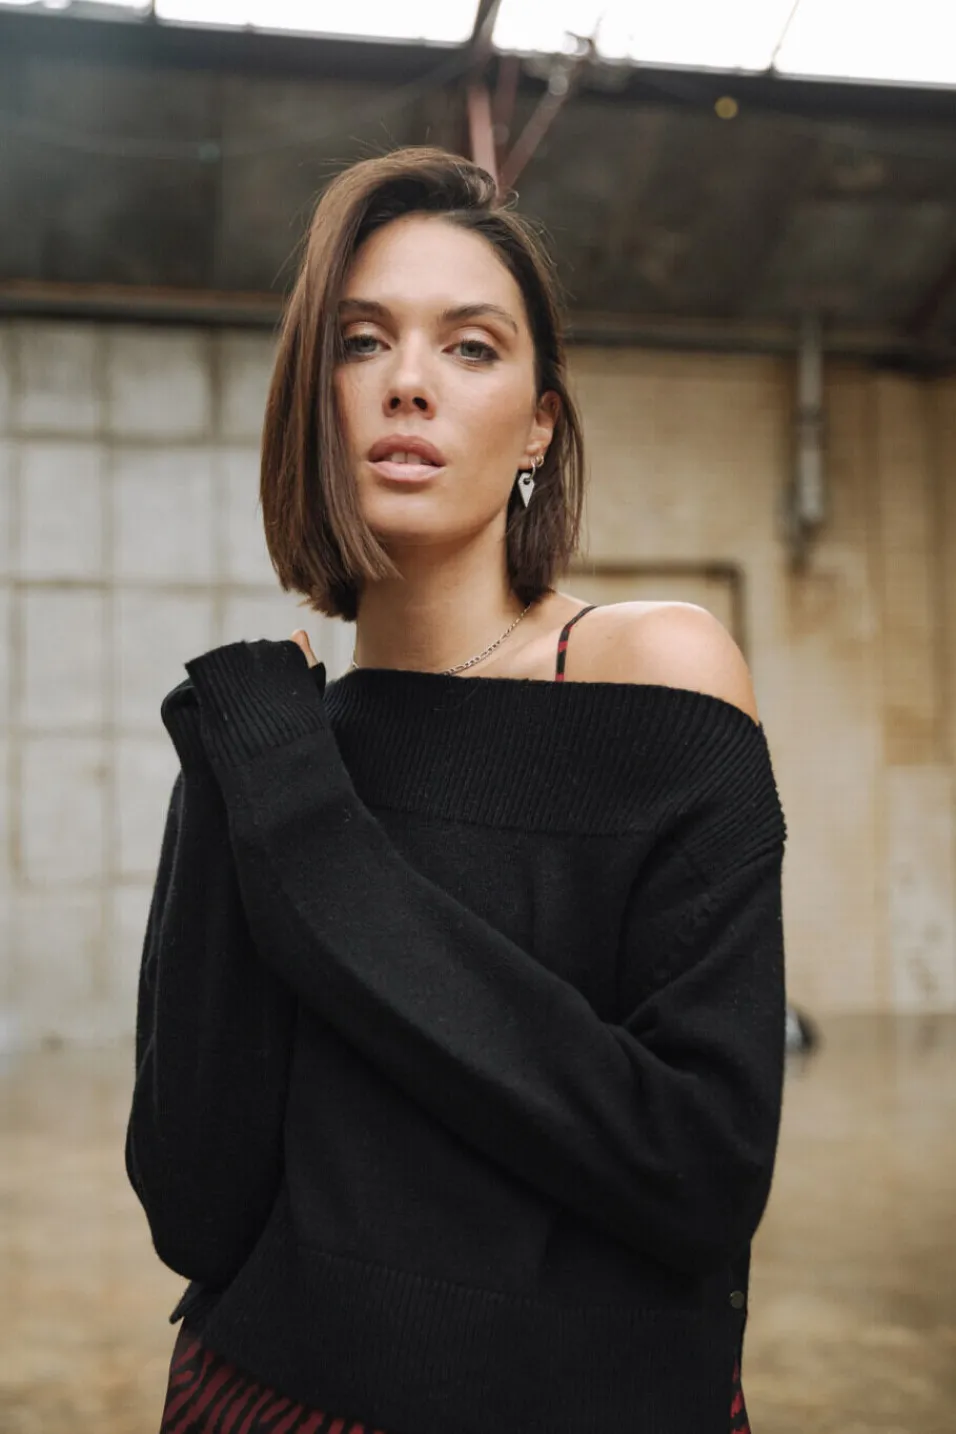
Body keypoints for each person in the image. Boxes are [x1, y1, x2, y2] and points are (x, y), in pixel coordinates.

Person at [126, 146, 787, 1434]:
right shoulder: (269, 736)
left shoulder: (655, 670)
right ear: (312, 399)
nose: (409, 382)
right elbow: (195, 1205)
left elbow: (697, 1167)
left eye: (471, 347)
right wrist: (240, 782)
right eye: (361, 341)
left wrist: (308, 835)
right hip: (266, 1402)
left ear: (540, 421)